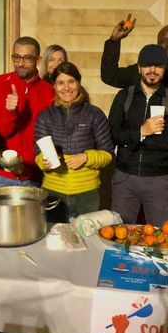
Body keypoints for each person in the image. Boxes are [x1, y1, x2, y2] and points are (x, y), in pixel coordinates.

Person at [108, 44, 168, 227]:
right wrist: (141, 131)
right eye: (147, 65)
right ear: (139, 67)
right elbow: (113, 134)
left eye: (158, 66)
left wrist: (132, 139)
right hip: (125, 177)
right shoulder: (124, 96)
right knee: (120, 233)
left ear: (165, 68)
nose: (152, 70)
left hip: (159, 179)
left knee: (161, 236)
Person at [34, 61, 114, 222]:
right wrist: (44, 162)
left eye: (71, 81)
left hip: (87, 193)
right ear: (54, 86)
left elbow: (108, 154)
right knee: (53, 240)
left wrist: (86, 157)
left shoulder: (94, 114)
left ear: (78, 82)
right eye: (60, 83)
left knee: (87, 242)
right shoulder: (45, 116)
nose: (66, 88)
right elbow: (37, 155)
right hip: (53, 191)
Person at [0, 36, 54, 187]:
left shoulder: (48, 91)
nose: (21, 63)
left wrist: (32, 162)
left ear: (38, 59)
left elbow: (47, 134)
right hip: (3, 173)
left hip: (33, 172)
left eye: (27, 58)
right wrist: (11, 111)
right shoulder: (1, 83)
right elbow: (3, 131)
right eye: (16, 57)